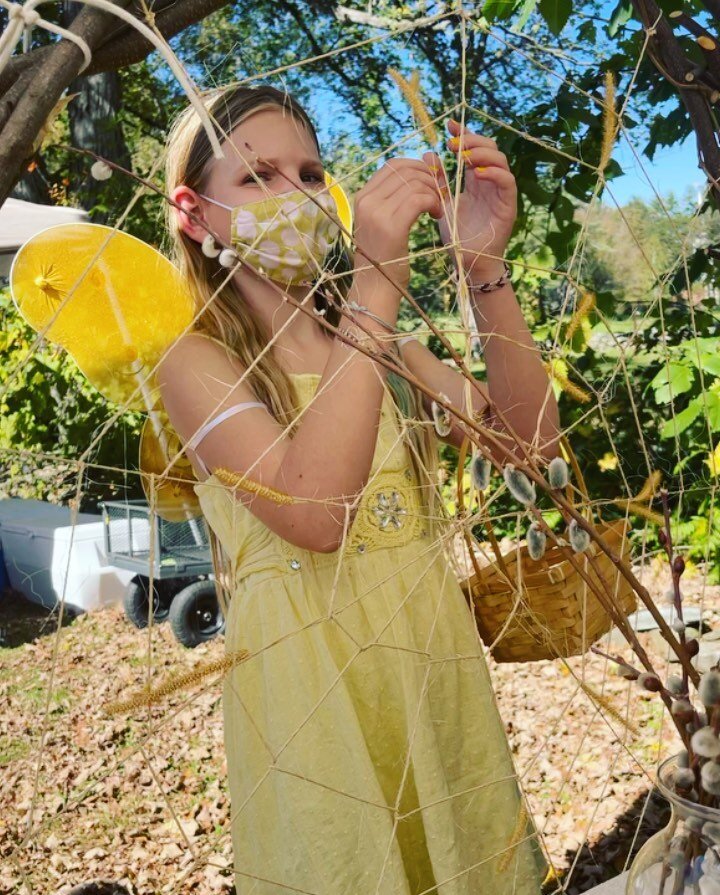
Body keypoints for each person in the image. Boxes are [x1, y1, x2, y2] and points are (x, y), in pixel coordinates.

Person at [158, 83, 560, 894]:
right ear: (194, 215)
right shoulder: (197, 364)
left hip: (426, 660)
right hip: (317, 697)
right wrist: (376, 283)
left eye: (309, 174)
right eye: (257, 176)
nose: (295, 195)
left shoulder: (390, 350)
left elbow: (530, 449)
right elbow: (315, 514)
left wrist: (483, 268)